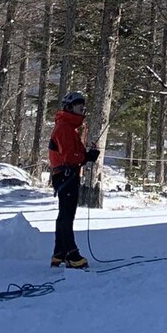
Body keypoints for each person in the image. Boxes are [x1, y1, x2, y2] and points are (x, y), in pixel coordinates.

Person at [47, 91, 100, 268]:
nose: (82, 108)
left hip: (67, 175)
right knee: (67, 216)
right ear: (69, 107)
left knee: (64, 214)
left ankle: (59, 253)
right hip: (65, 176)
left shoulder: (69, 128)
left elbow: (73, 153)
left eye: (82, 105)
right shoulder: (64, 128)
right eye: (79, 105)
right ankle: (72, 255)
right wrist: (87, 157)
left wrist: (86, 155)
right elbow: (70, 157)